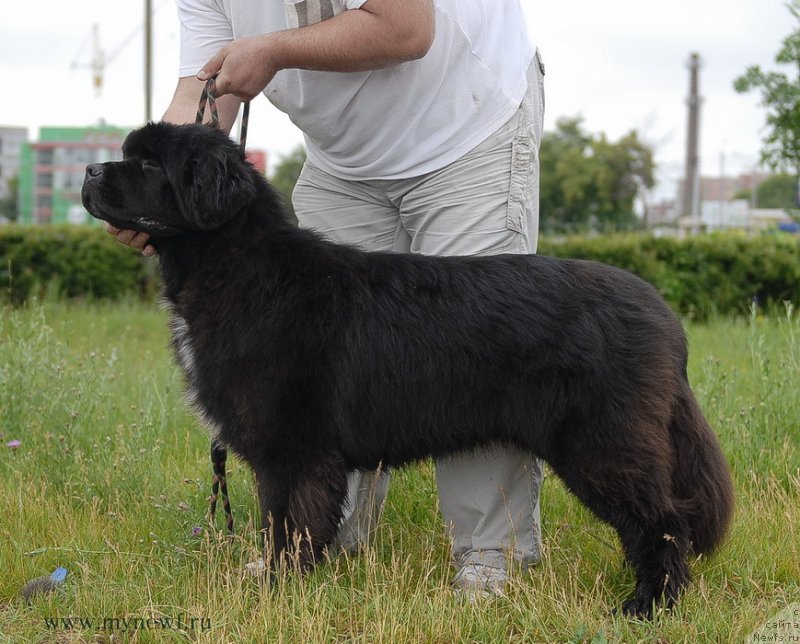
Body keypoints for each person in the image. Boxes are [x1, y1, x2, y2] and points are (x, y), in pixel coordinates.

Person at [109, 0, 545, 597]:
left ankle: (490, 556)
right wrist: (150, 196)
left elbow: (405, 28)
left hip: (465, 126)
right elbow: (204, 95)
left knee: (477, 350)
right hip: (344, 158)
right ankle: (315, 538)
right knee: (314, 366)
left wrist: (274, 48)